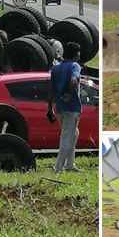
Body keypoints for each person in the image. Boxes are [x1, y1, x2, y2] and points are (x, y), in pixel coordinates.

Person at [47, 42, 82, 173]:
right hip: (72, 107)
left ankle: (70, 164)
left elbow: (50, 88)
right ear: (77, 54)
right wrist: (69, 93)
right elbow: (73, 80)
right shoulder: (75, 66)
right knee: (67, 137)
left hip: (59, 107)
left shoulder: (56, 68)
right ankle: (58, 168)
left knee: (74, 134)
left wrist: (49, 108)